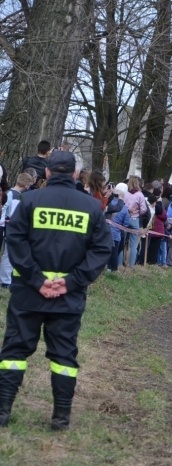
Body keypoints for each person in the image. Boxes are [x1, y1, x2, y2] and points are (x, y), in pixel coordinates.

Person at [0, 151, 113, 430]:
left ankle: (2, 411)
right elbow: (101, 250)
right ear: (75, 174)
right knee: (64, 355)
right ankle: (61, 417)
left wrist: (36, 279)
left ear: (47, 172)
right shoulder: (91, 207)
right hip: (68, 297)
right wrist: (72, 282)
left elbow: (15, 241)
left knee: (14, 350)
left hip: (27, 293)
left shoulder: (29, 200)